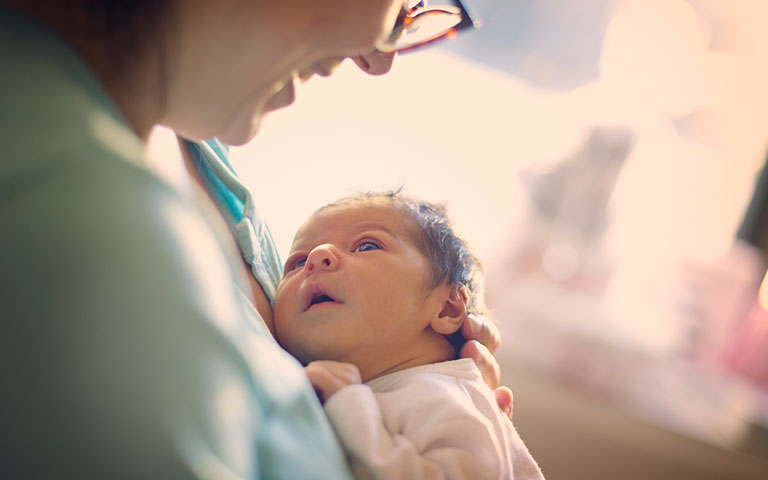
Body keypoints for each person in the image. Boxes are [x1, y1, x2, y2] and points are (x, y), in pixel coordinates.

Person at [0, 0, 510, 478]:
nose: (381, 59)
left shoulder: (206, 155)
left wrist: (429, 400)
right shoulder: (78, 215)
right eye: (403, 3)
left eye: (368, 246)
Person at [273, 191, 544, 480]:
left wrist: (348, 406)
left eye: (366, 245)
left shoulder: (440, 395)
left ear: (447, 308)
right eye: (297, 263)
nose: (317, 257)